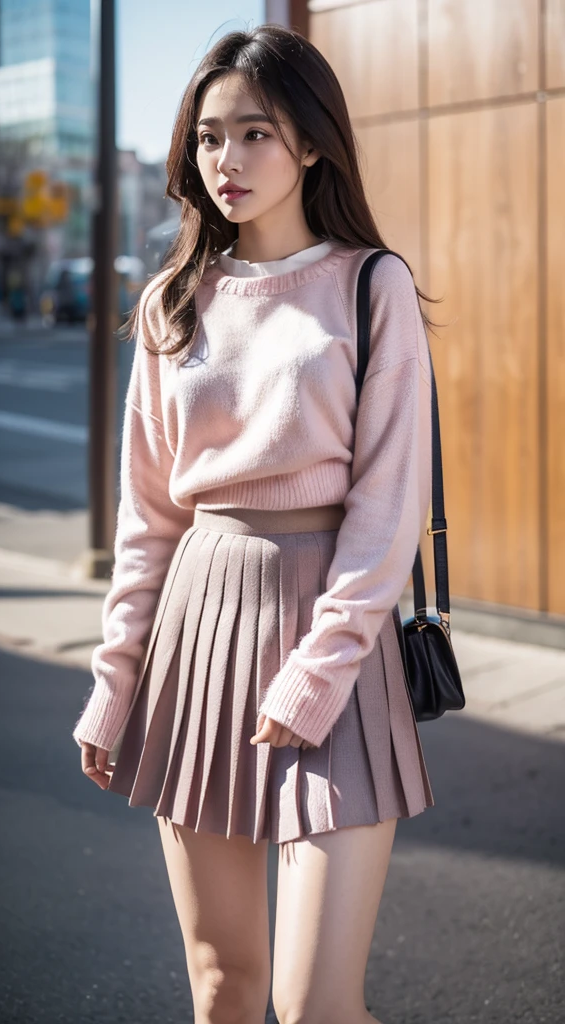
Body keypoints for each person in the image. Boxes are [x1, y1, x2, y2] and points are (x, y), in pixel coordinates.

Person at [73, 23, 440, 1024]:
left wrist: (319, 670)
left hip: (334, 635)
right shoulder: (170, 305)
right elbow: (147, 518)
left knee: (315, 1005)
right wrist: (115, 685)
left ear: (313, 143)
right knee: (222, 987)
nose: (226, 161)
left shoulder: (372, 286)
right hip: (196, 630)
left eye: (254, 134)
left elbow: (387, 506)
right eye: (207, 138)